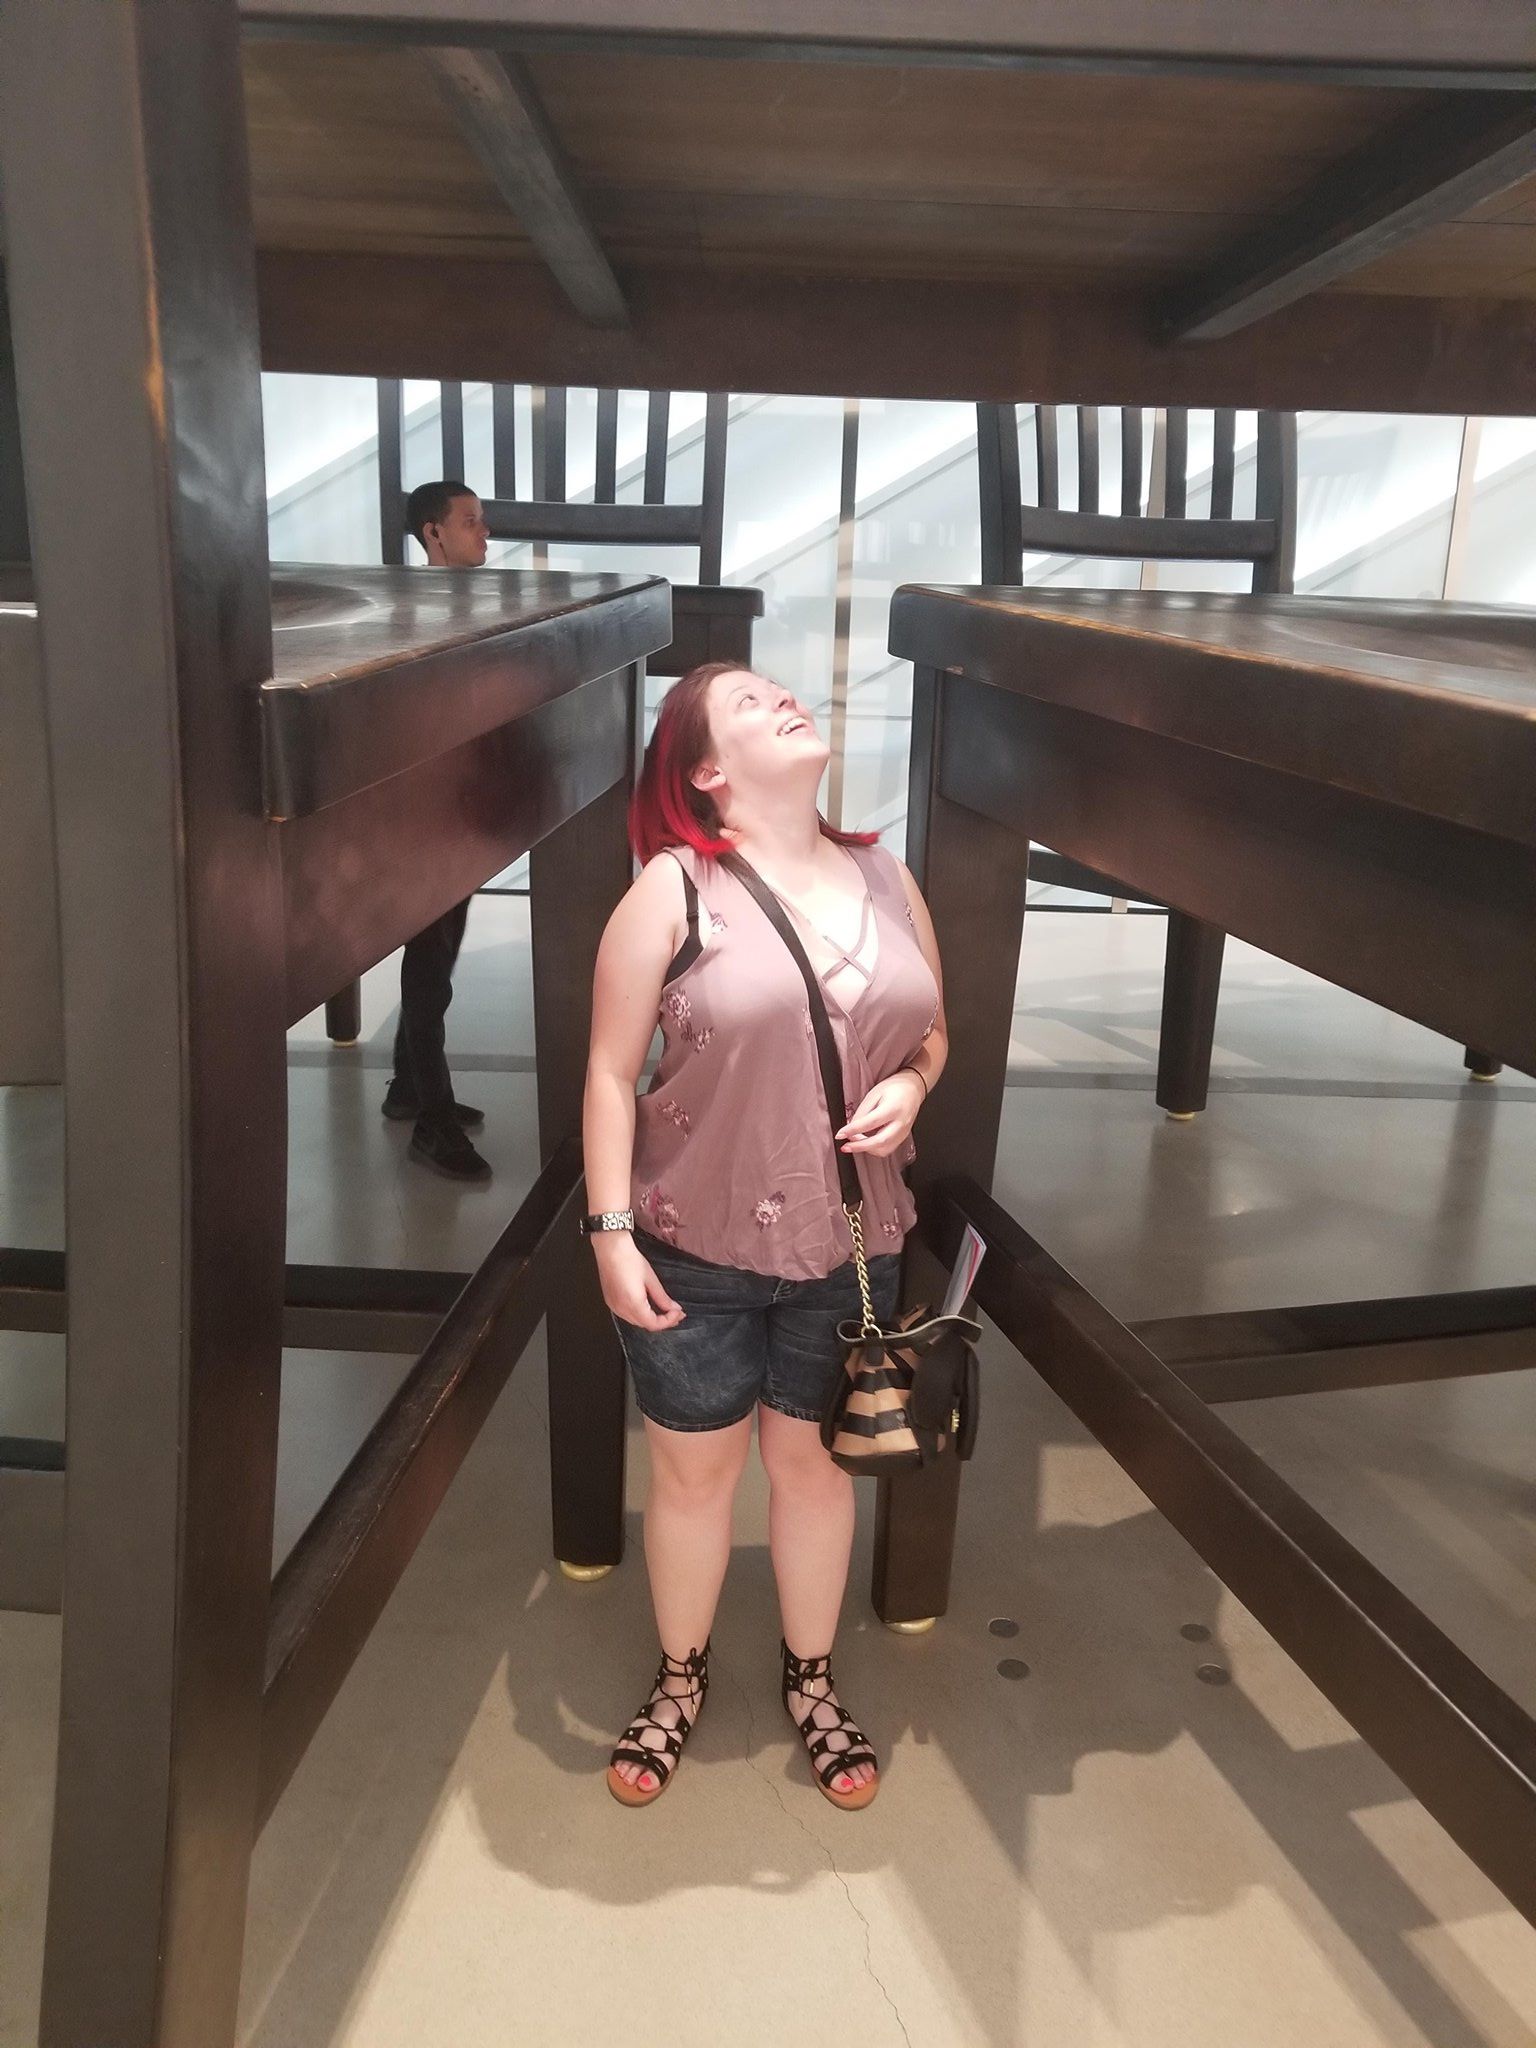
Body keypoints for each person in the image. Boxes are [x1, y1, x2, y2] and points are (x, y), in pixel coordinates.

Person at [581, 661, 947, 1809]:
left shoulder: (888, 875)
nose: (783, 697)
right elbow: (607, 1072)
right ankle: (680, 1674)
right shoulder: (672, 888)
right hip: (692, 1242)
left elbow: (933, 1030)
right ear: (702, 768)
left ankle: (811, 1676)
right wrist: (609, 1232)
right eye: (747, 701)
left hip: (850, 1241)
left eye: (780, 689)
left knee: (814, 1469)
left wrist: (914, 1086)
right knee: (694, 1476)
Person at [381, 480, 495, 1182]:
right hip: (425, 815)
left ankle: (408, 1088)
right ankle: (433, 1118)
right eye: (471, 522)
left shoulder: (456, 605)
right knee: (430, 966)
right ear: (433, 533)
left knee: (437, 954)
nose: (485, 534)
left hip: (450, 808)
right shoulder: (415, 612)